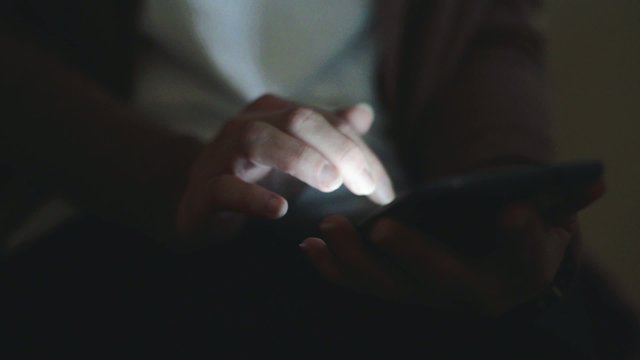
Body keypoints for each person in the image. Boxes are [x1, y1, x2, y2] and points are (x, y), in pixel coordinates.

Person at [1, 0, 637, 358]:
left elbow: (485, 29)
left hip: (407, 220)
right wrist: (171, 177)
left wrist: (500, 200)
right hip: (120, 210)